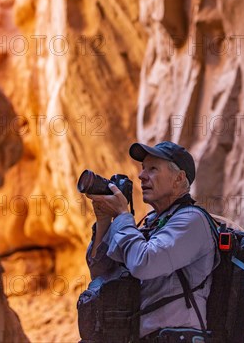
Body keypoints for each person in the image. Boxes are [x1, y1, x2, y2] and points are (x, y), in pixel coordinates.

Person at [85, 141, 219, 342]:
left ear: (179, 178)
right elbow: (101, 272)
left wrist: (122, 215)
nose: (141, 176)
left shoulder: (192, 220)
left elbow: (144, 263)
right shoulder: (151, 223)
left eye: (153, 169)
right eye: (142, 169)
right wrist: (104, 220)